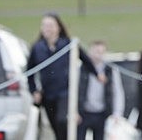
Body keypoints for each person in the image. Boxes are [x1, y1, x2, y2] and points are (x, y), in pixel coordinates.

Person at [26, 12, 95, 140]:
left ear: (58, 27)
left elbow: (86, 60)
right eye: (45, 25)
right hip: (47, 94)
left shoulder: (68, 44)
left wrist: (97, 74)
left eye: (51, 25)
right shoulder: (37, 48)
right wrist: (34, 90)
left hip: (65, 92)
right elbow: (29, 72)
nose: (47, 29)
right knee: (55, 127)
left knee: (62, 121)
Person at [78, 40, 125, 140]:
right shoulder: (81, 69)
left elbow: (117, 92)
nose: (98, 55)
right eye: (96, 51)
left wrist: (117, 113)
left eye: (101, 52)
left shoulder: (110, 70)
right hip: (83, 112)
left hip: (102, 113)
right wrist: (74, 111)